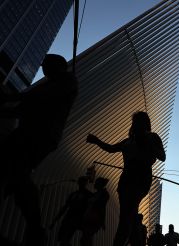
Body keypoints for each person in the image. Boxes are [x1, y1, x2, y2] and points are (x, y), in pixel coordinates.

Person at [0, 54, 78, 245]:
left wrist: (10, 97)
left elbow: (34, 98)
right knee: (13, 175)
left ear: (57, 66)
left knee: (17, 174)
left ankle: (35, 229)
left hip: (39, 135)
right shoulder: (53, 83)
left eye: (47, 66)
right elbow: (24, 106)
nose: (44, 70)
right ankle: (34, 228)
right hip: (29, 133)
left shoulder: (67, 81)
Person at [86, 111, 166, 246]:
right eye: (135, 122)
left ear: (145, 124)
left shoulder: (152, 137)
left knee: (126, 217)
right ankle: (136, 241)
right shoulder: (128, 141)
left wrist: (149, 144)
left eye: (139, 122)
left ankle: (122, 242)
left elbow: (162, 156)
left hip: (140, 178)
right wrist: (97, 141)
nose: (136, 124)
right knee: (129, 215)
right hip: (126, 180)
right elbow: (111, 149)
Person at [50, 176, 92, 246]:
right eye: (81, 182)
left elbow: (89, 208)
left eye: (83, 182)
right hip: (70, 218)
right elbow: (65, 207)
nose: (81, 183)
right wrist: (55, 220)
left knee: (65, 236)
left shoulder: (87, 195)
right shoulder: (75, 194)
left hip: (76, 219)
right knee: (63, 237)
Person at [81, 177, 110, 246]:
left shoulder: (104, 194)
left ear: (100, 184)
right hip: (89, 217)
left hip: (94, 218)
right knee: (86, 238)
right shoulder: (95, 194)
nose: (95, 184)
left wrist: (102, 220)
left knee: (86, 238)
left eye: (97, 182)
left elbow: (102, 206)